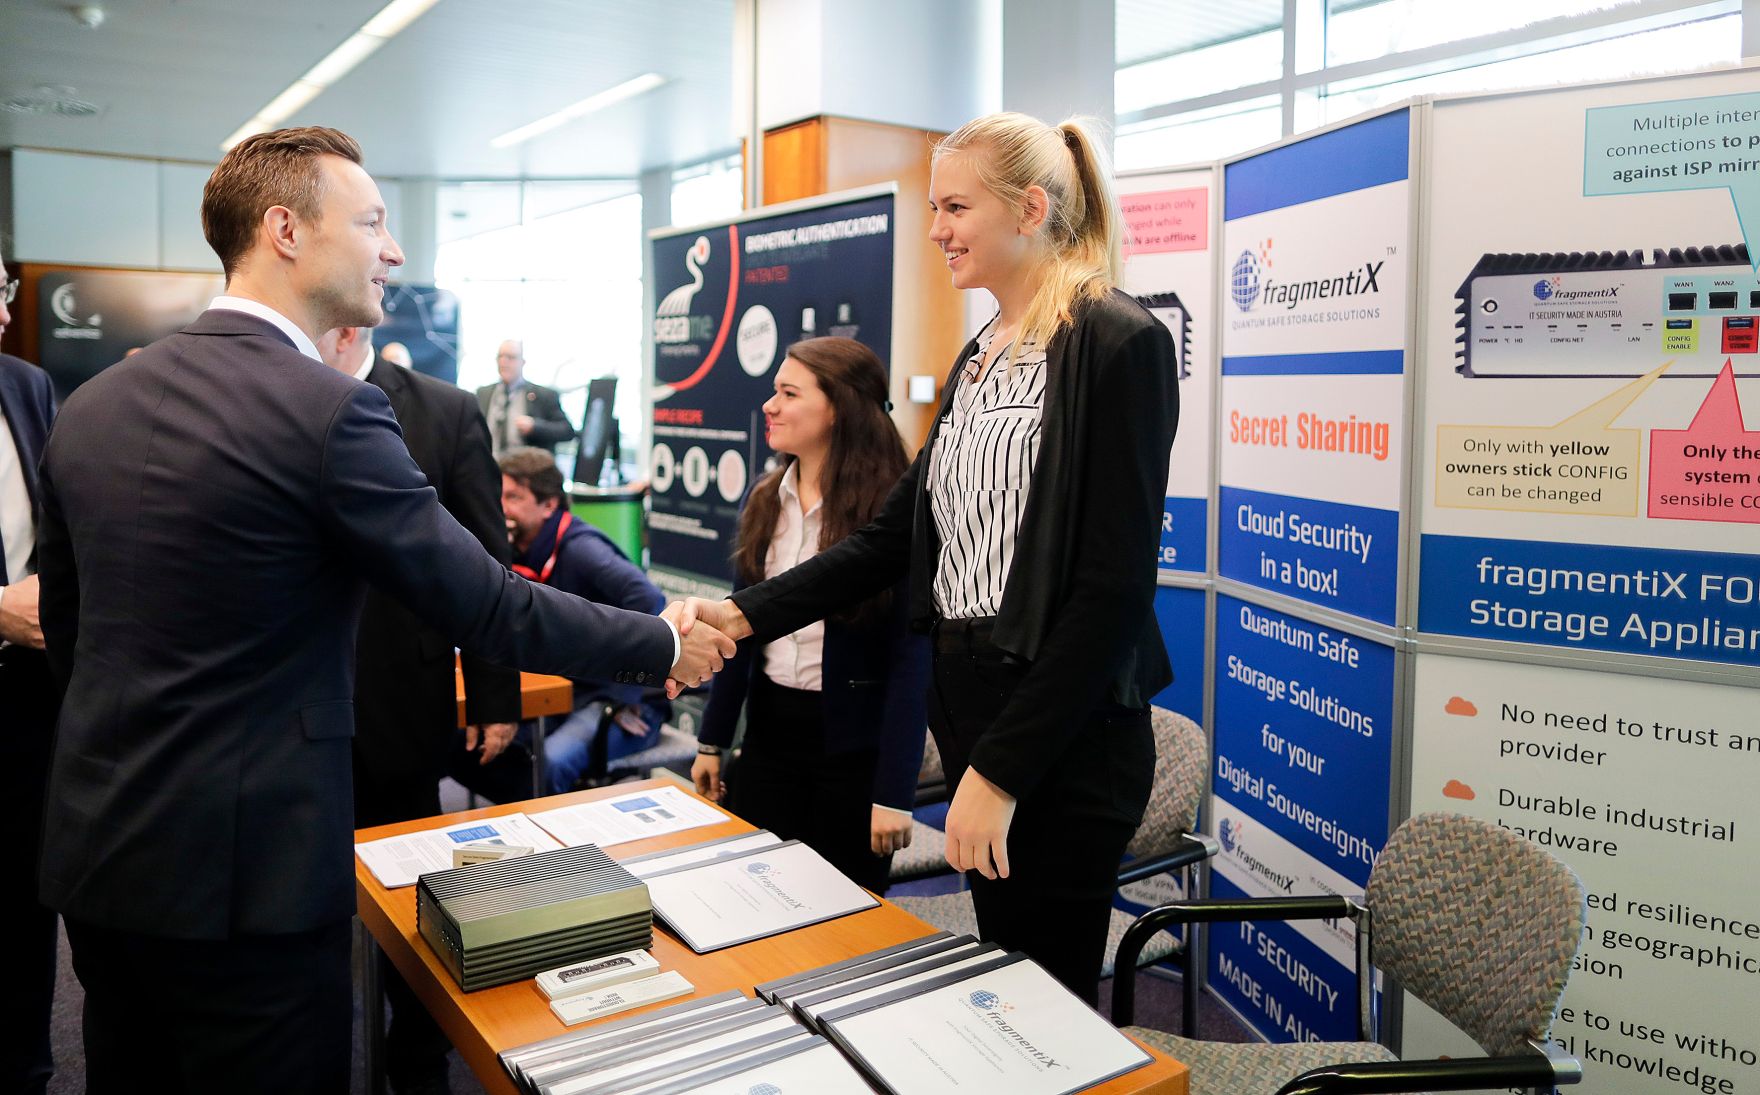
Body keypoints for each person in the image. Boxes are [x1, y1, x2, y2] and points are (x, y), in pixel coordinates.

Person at [34, 126, 735, 1092]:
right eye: (370, 223)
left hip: (101, 854)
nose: (393, 250)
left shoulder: (92, 403)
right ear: (285, 230)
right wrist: (658, 640)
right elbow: (486, 602)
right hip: (253, 878)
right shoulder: (328, 411)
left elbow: (70, 631)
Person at [680, 112, 1180, 1004]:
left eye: (955, 207)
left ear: (1029, 209)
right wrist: (746, 613)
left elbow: (1111, 591)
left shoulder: (1118, 341)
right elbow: (889, 540)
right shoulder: (982, 352)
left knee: (1044, 1006)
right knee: (1003, 986)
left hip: (1063, 740)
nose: (937, 229)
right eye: (934, 207)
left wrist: (999, 772)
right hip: (978, 719)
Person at [315, 322, 518, 1094]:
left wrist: (494, 692)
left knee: (412, 903)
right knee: (305, 911)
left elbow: (486, 560)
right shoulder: (267, 389)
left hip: (403, 699)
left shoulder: (445, 410)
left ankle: (420, 1060)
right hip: (284, 714)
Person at [690, 337, 929, 894]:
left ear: (839, 408)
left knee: (844, 913)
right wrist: (711, 741)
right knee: (754, 898)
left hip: (853, 753)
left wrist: (894, 794)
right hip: (769, 738)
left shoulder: (891, 514)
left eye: (789, 393)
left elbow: (911, 659)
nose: (769, 406)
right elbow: (738, 628)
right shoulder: (765, 498)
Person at [450, 446, 671, 802]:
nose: (501, 507)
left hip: (619, 703)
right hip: (565, 692)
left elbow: (649, 601)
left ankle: (545, 823)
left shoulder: (582, 550)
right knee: (459, 742)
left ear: (549, 505)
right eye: (499, 495)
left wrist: (625, 695)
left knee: (549, 763)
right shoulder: (516, 547)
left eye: (514, 497)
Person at [0, 252, 61, 1095]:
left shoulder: (28, 386)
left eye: (4, 292)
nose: (6, 313)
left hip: (29, 704)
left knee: (25, 906)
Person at [476, 339, 575, 456]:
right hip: (488, 462)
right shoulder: (483, 394)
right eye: (500, 356)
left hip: (524, 464)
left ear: (522, 362)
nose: (504, 361)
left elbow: (567, 431)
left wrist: (535, 427)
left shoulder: (543, 395)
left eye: (510, 357)